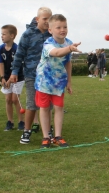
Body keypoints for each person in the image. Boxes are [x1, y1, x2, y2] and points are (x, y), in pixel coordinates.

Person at [34, 14, 80, 148]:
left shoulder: (68, 43)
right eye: (58, 27)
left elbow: (68, 63)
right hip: (44, 82)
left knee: (59, 107)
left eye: (65, 27)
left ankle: (58, 137)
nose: (62, 30)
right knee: (44, 108)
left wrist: (69, 82)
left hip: (59, 83)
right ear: (50, 30)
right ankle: (46, 137)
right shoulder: (48, 44)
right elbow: (57, 53)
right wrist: (70, 48)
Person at [8, 7, 53, 144]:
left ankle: (48, 131)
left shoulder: (52, 34)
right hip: (32, 74)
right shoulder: (28, 34)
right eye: (44, 19)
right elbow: (19, 54)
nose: (47, 21)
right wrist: (14, 72)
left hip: (48, 75)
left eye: (49, 19)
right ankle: (26, 131)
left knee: (48, 105)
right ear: (37, 19)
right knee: (32, 104)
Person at [0, 24, 25, 131]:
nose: (2, 36)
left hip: (18, 77)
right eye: (1, 34)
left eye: (4, 34)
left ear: (12, 36)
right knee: (8, 99)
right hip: (6, 77)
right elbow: (1, 63)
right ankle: (10, 121)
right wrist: (2, 77)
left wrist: (11, 79)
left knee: (15, 99)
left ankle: (21, 121)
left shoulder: (17, 49)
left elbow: (18, 65)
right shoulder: (0, 49)